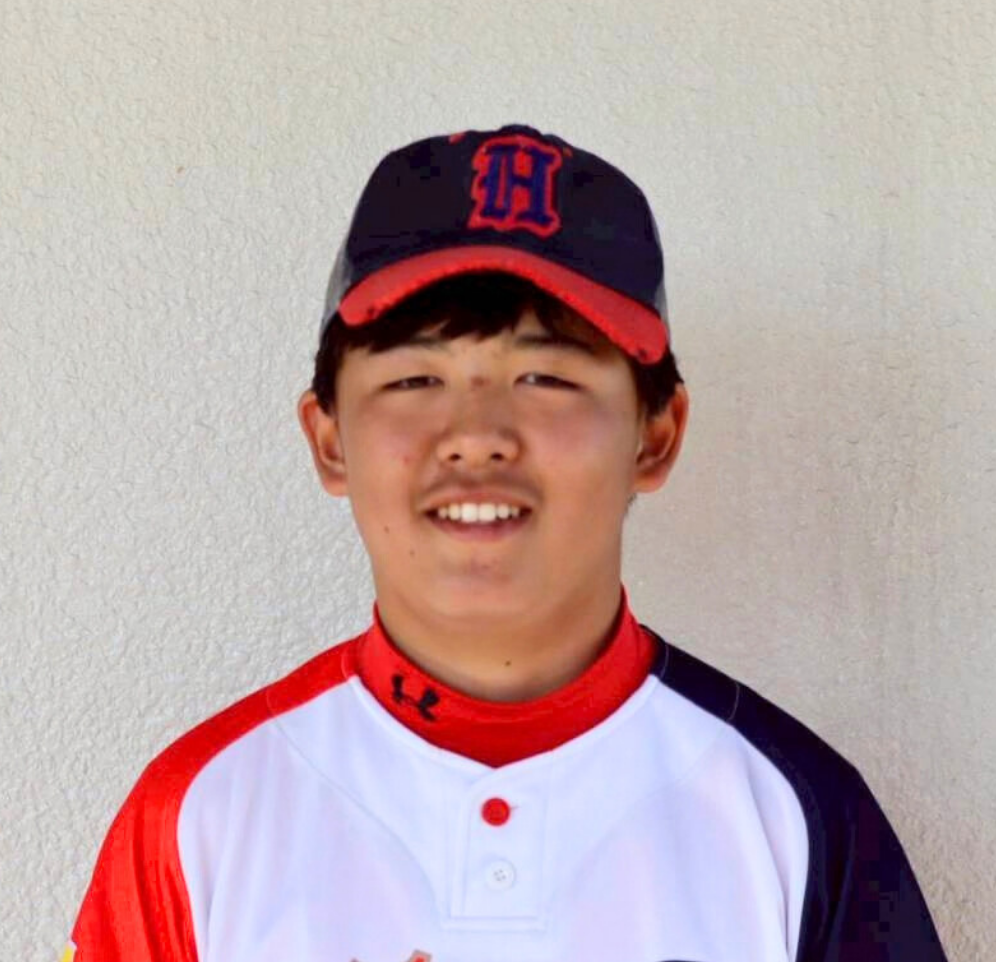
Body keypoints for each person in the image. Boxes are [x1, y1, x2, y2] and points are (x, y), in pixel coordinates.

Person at [63, 124, 949, 962]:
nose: (478, 436)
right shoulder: (200, 814)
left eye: (546, 376)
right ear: (329, 440)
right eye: (415, 378)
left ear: (656, 435)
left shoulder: (792, 811)